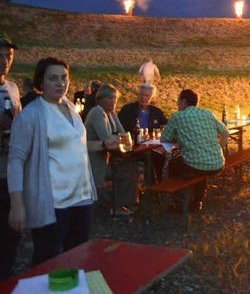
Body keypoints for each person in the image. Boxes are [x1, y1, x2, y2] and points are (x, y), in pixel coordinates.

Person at [8, 57, 96, 265]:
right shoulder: (31, 115)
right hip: (53, 202)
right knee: (48, 260)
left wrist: (103, 145)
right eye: (53, 78)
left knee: (77, 256)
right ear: (41, 82)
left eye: (64, 78)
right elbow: (16, 161)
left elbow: (75, 146)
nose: (60, 83)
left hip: (81, 197)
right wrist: (17, 204)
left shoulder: (71, 108)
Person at [161, 89, 229, 212]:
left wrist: (178, 137)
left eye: (178, 101)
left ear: (184, 101)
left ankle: (179, 202)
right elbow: (225, 132)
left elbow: (165, 138)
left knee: (173, 165)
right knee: (200, 168)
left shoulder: (178, 116)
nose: (177, 104)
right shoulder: (208, 113)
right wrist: (220, 148)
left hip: (196, 164)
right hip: (217, 163)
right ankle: (197, 201)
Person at [84, 84, 139, 217]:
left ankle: (126, 202)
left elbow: (123, 134)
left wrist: (121, 136)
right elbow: (107, 139)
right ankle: (118, 205)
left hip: (106, 157)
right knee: (126, 170)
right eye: (110, 98)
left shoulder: (110, 113)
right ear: (101, 99)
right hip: (95, 161)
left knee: (131, 166)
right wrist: (121, 140)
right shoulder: (97, 113)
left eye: (115, 98)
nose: (113, 101)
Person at [0, 33, 21, 280]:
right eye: (1, 56)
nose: (5, 60)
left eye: (9, 56)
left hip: (11, 171)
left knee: (11, 232)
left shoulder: (13, 88)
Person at [118, 83, 168, 182]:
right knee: (148, 155)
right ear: (138, 95)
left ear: (151, 97)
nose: (144, 98)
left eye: (147, 95)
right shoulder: (127, 110)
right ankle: (150, 185)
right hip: (133, 146)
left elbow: (166, 125)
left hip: (150, 145)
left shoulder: (156, 112)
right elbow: (119, 128)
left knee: (159, 155)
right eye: (142, 95)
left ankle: (158, 181)